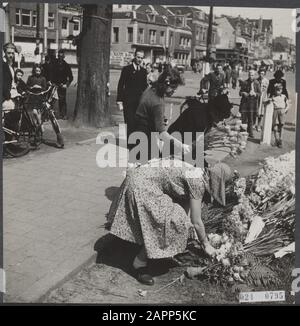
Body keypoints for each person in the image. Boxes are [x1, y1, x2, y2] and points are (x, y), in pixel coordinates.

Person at [107, 160, 232, 285]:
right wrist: (206, 244)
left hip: (136, 177)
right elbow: (196, 221)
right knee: (168, 222)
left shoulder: (197, 170)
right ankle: (139, 263)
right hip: (141, 186)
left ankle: (154, 249)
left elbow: (186, 212)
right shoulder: (197, 181)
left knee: (176, 219)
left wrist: (184, 231)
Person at [133, 67, 190, 164]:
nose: (174, 91)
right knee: (149, 167)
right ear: (165, 84)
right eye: (173, 87)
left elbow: (149, 110)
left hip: (139, 130)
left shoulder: (153, 88)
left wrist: (161, 118)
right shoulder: (157, 102)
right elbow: (162, 133)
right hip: (145, 135)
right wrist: (181, 146)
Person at [117, 50, 148, 147]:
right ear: (134, 57)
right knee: (130, 121)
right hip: (128, 101)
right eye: (138, 57)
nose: (139, 59)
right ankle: (130, 145)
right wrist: (119, 100)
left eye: (141, 58)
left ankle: (136, 141)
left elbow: (144, 87)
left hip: (139, 102)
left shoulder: (143, 71)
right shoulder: (126, 69)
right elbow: (121, 84)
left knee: (138, 122)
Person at [52, 49, 74, 119]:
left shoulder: (66, 66)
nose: (60, 58)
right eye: (59, 56)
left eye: (61, 56)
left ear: (63, 57)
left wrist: (66, 84)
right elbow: (50, 73)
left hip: (62, 85)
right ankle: (51, 115)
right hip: (54, 85)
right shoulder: (53, 64)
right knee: (52, 100)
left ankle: (63, 114)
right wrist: (51, 82)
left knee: (62, 100)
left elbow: (71, 77)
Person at [239, 69, 261, 138]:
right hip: (245, 103)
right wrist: (243, 93)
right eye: (249, 75)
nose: (250, 76)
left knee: (251, 118)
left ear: (254, 75)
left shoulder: (257, 83)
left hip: (253, 103)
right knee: (244, 118)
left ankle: (250, 132)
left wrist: (255, 94)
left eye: (252, 75)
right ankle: (243, 132)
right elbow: (240, 92)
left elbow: (260, 93)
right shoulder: (244, 82)